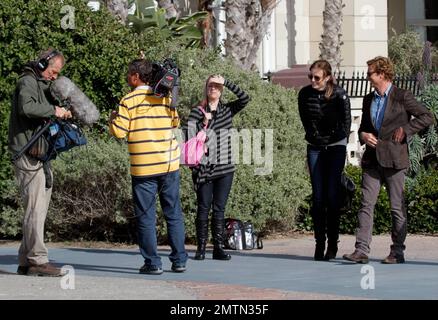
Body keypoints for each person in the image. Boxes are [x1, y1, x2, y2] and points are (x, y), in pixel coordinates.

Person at [343, 56, 435, 264]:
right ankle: (361, 250)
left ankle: (397, 251)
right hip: (372, 160)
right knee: (366, 204)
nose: (367, 77)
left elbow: (427, 116)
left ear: (382, 75)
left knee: (396, 207)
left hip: (394, 159)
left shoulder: (402, 96)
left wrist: (406, 129)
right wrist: (363, 136)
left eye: (370, 74)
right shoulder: (368, 99)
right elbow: (365, 127)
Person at [109, 59, 188, 275]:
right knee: (173, 213)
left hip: (144, 168)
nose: (127, 78)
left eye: (129, 74)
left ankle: (153, 263)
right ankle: (179, 260)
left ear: (136, 77)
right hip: (169, 165)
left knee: (146, 217)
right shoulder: (164, 97)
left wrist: (112, 119)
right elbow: (175, 123)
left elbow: (119, 132)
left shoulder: (128, 101)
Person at [8, 48, 72, 276]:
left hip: (37, 154)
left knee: (37, 208)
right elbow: (27, 108)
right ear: (43, 65)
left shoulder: (39, 83)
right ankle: (38, 260)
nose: (54, 77)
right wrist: (54, 110)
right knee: (36, 209)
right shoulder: (27, 82)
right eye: (53, 72)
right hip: (27, 154)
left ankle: (26, 260)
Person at [185, 75, 250, 261]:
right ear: (206, 88)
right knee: (203, 207)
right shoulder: (197, 112)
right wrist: (205, 123)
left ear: (221, 90)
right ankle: (201, 248)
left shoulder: (227, 109)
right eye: (210, 85)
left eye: (217, 86)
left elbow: (245, 99)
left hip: (225, 167)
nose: (213, 88)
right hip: (204, 169)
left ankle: (218, 248)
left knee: (219, 209)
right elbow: (188, 135)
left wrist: (227, 82)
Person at [298, 60, 351, 261]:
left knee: (332, 195)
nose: (313, 80)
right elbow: (305, 119)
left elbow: (346, 122)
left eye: (317, 77)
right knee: (318, 197)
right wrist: (315, 137)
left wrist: (338, 139)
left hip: (335, 146)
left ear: (327, 77)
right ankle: (319, 243)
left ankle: (333, 243)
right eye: (310, 77)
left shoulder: (339, 94)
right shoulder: (304, 94)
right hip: (315, 146)